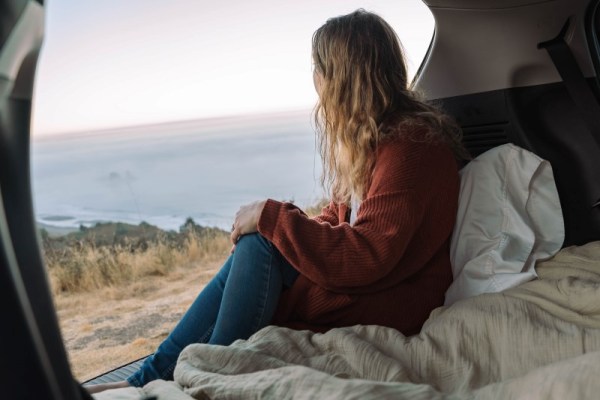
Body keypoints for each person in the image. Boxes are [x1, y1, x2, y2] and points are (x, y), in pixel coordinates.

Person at [86, 8, 467, 394]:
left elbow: (367, 256)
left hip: (390, 297)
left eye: (318, 68)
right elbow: (339, 220)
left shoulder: (410, 148)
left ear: (342, 76)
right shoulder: (375, 139)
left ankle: (200, 370)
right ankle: (145, 379)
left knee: (261, 240)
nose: (314, 80)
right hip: (367, 282)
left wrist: (271, 217)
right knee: (260, 242)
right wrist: (279, 224)